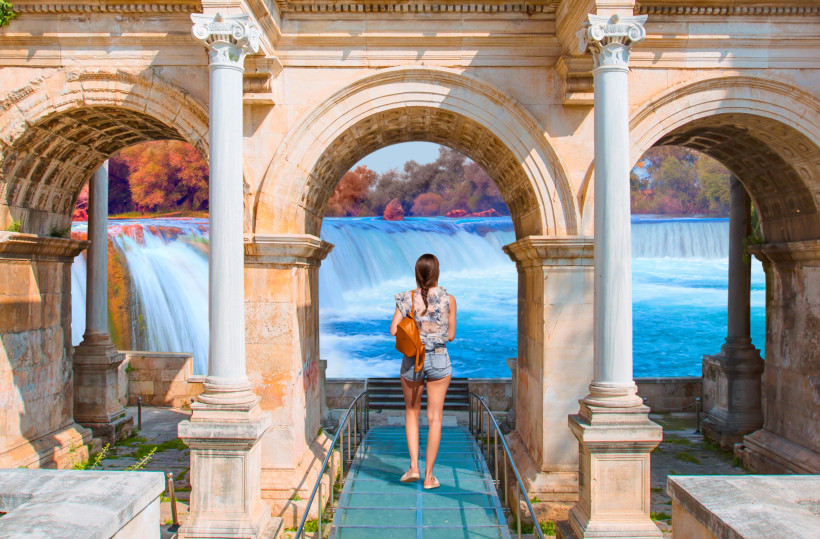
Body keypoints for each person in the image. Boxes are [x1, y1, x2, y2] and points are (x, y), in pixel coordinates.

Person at [389, 253, 457, 490]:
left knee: (411, 413)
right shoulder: (449, 299)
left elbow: (393, 331)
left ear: (417, 274)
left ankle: (413, 468)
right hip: (438, 359)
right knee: (435, 418)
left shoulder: (407, 298)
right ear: (437, 273)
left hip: (412, 360)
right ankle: (429, 477)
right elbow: (450, 335)